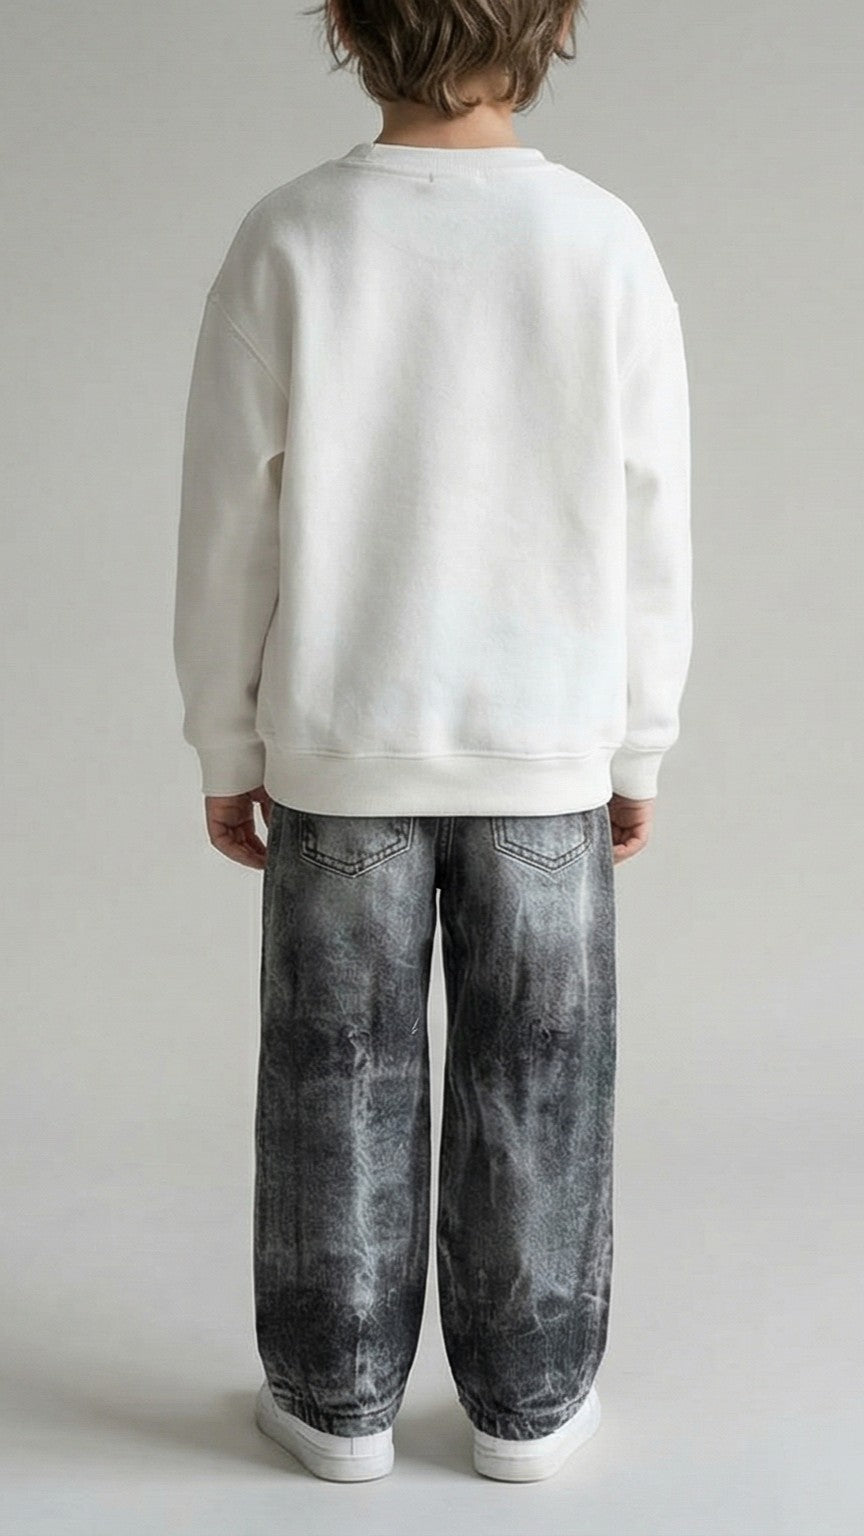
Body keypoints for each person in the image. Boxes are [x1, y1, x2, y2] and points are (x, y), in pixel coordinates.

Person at [172, 0, 692, 1486]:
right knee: (544, 1080)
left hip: (343, 747)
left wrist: (226, 735)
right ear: (553, 26)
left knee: (334, 1084)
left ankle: (334, 1404)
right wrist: (636, 744)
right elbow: (654, 516)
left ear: (347, 22)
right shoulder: (602, 242)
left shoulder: (291, 236)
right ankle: (531, 1406)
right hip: (545, 747)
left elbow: (230, 524)